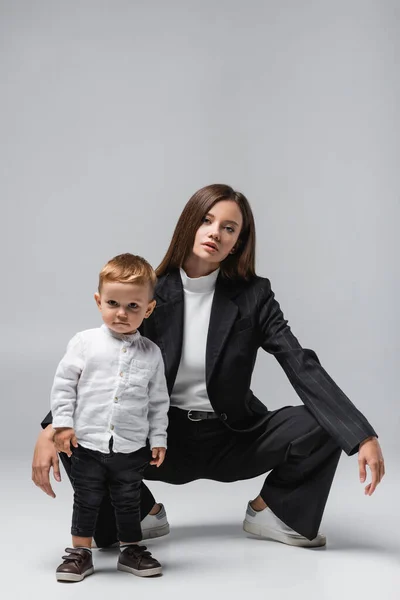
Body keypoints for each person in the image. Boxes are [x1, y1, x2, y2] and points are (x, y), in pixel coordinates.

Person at [33, 184, 384, 553]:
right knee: (76, 442)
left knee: (327, 423)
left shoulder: (254, 295)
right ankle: (141, 512)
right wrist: (51, 426)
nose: (216, 232)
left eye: (229, 228)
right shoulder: (149, 290)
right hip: (158, 439)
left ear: (238, 242)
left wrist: (361, 435)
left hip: (234, 435)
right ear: (190, 224)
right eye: (207, 220)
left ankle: (274, 513)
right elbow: (103, 361)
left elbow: (298, 360)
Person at [49, 253, 169, 581]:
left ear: (148, 309)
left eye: (133, 306)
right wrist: (62, 425)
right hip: (87, 443)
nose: (121, 313)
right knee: (86, 500)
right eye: (113, 303)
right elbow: (63, 386)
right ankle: (79, 553)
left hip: (130, 447)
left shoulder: (151, 353)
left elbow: (158, 401)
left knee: (128, 501)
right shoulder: (85, 343)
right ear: (99, 301)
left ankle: (130, 550)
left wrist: (158, 439)